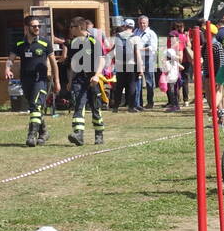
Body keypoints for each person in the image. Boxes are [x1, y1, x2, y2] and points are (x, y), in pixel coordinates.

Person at [11, 17, 59, 146]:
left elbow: (54, 63)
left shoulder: (45, 43)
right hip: (25, 80)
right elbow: (11, 59)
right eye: (34, 26)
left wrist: (57, 81)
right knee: (34, 107)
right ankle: (44, 132)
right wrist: (7, 68)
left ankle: (31, 134)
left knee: (36, 105)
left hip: (41, 79)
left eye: (38, 26)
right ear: (26, 28)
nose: (37, 28)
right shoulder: (19, 44)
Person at [65, 16, 105, 145]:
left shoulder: (94, 42)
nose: (70, 29)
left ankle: (99, 135)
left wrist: (97, 75)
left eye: (72, 27)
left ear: (79, 27)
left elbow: (102, 60)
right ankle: (78, 135)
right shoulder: (73, 43)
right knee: (78, 104)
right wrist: (70, 80)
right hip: (78, 79)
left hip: (92, 78)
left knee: (95, 106)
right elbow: (73, 63)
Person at [111, 17, 144, 111]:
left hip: (120, 64)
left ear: (124, 26)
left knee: (119, 86)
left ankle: (116, 106)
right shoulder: (135, 38)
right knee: (132, 85)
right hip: (131, 64)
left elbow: (113, 50)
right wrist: (140, 68)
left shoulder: (117, 36)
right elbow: (137, 53)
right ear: (133, 27)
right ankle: (131, 107)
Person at [161, 35, 182, 112]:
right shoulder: (175, 61)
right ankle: (177, 105)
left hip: (170, 79)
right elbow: (182, 67)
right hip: (176, 78)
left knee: (171, 92)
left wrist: (163, 65)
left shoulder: (167, 62)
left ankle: (173, 106)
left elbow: (166, 70)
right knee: (175, 92)